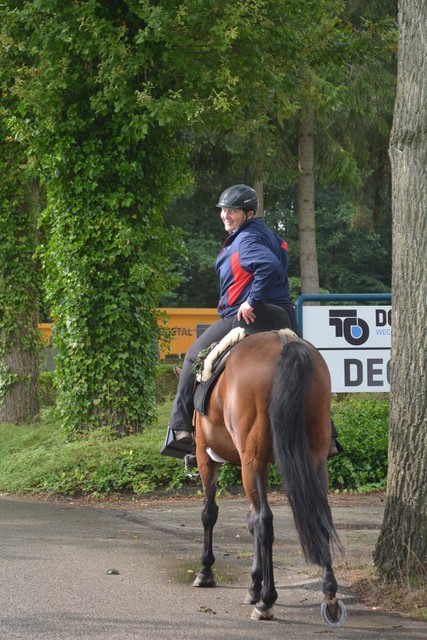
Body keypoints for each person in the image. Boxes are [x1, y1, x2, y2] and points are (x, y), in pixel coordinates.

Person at [161, 184, 339, 459]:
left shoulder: (245, 239)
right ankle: (328, 434)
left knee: (193, 355)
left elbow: (267, 267)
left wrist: (251, 301)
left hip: (248, 316)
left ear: (249, 213)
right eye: (223, 210)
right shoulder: (271, 237)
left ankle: (180, 427)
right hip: (283, 315)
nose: (225, 215)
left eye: (233, 211)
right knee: (304, 365)